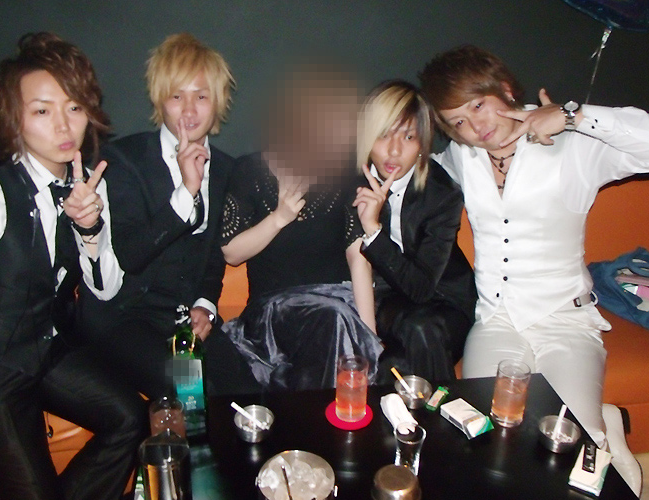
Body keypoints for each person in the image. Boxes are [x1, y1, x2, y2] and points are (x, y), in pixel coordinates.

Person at [420, 44, 647, 495]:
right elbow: (407, 172)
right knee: (485, 443)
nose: (475, 127)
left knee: (569, 453)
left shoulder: (574, 146)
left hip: (566, 319)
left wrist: (573, 116)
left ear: (505, 89)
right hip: (497, 319)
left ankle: (602, 428)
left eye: (478, 105)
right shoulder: (461, 158)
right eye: (458, 121)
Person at [0, 33, 146, 499]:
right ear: (13, 120)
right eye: (42, 110)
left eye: (74, 107)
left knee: (133, 420)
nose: (63, 125)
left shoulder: (89, 187)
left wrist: (90, 227)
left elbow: (106, 288)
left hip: (52, 350)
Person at [80, 33, 257, 399]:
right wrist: (186, 192)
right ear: (160, 99)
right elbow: (130, 254)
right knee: (190, 392)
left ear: (218, 101)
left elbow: (213, 257)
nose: (189, 111)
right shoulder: (124, 160)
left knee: (246, 392)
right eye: (177, 96)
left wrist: (205, 306)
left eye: (201, 96)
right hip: (128, 316)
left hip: (183, 318)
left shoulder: (226, 170)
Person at [220, 67, 383, 391]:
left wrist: (370, 340)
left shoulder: (349, 178)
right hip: (273, 315)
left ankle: (305, 422)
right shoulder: (250, 170)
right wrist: (278, 218)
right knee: (330, 319)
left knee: (328, 332)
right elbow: (231, 252)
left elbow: (358, 260)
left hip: (338, 308)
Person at [353, 80, 477, 383]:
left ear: (422, 144)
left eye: (409, 136)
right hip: (388, 303)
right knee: (418, 330)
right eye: (384, 134)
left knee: (396, 364)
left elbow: (421, 289)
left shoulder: (441, 193)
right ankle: (447, 408)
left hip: (445, 301)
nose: (394, 150)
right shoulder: (349, 184)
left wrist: (373, 230)